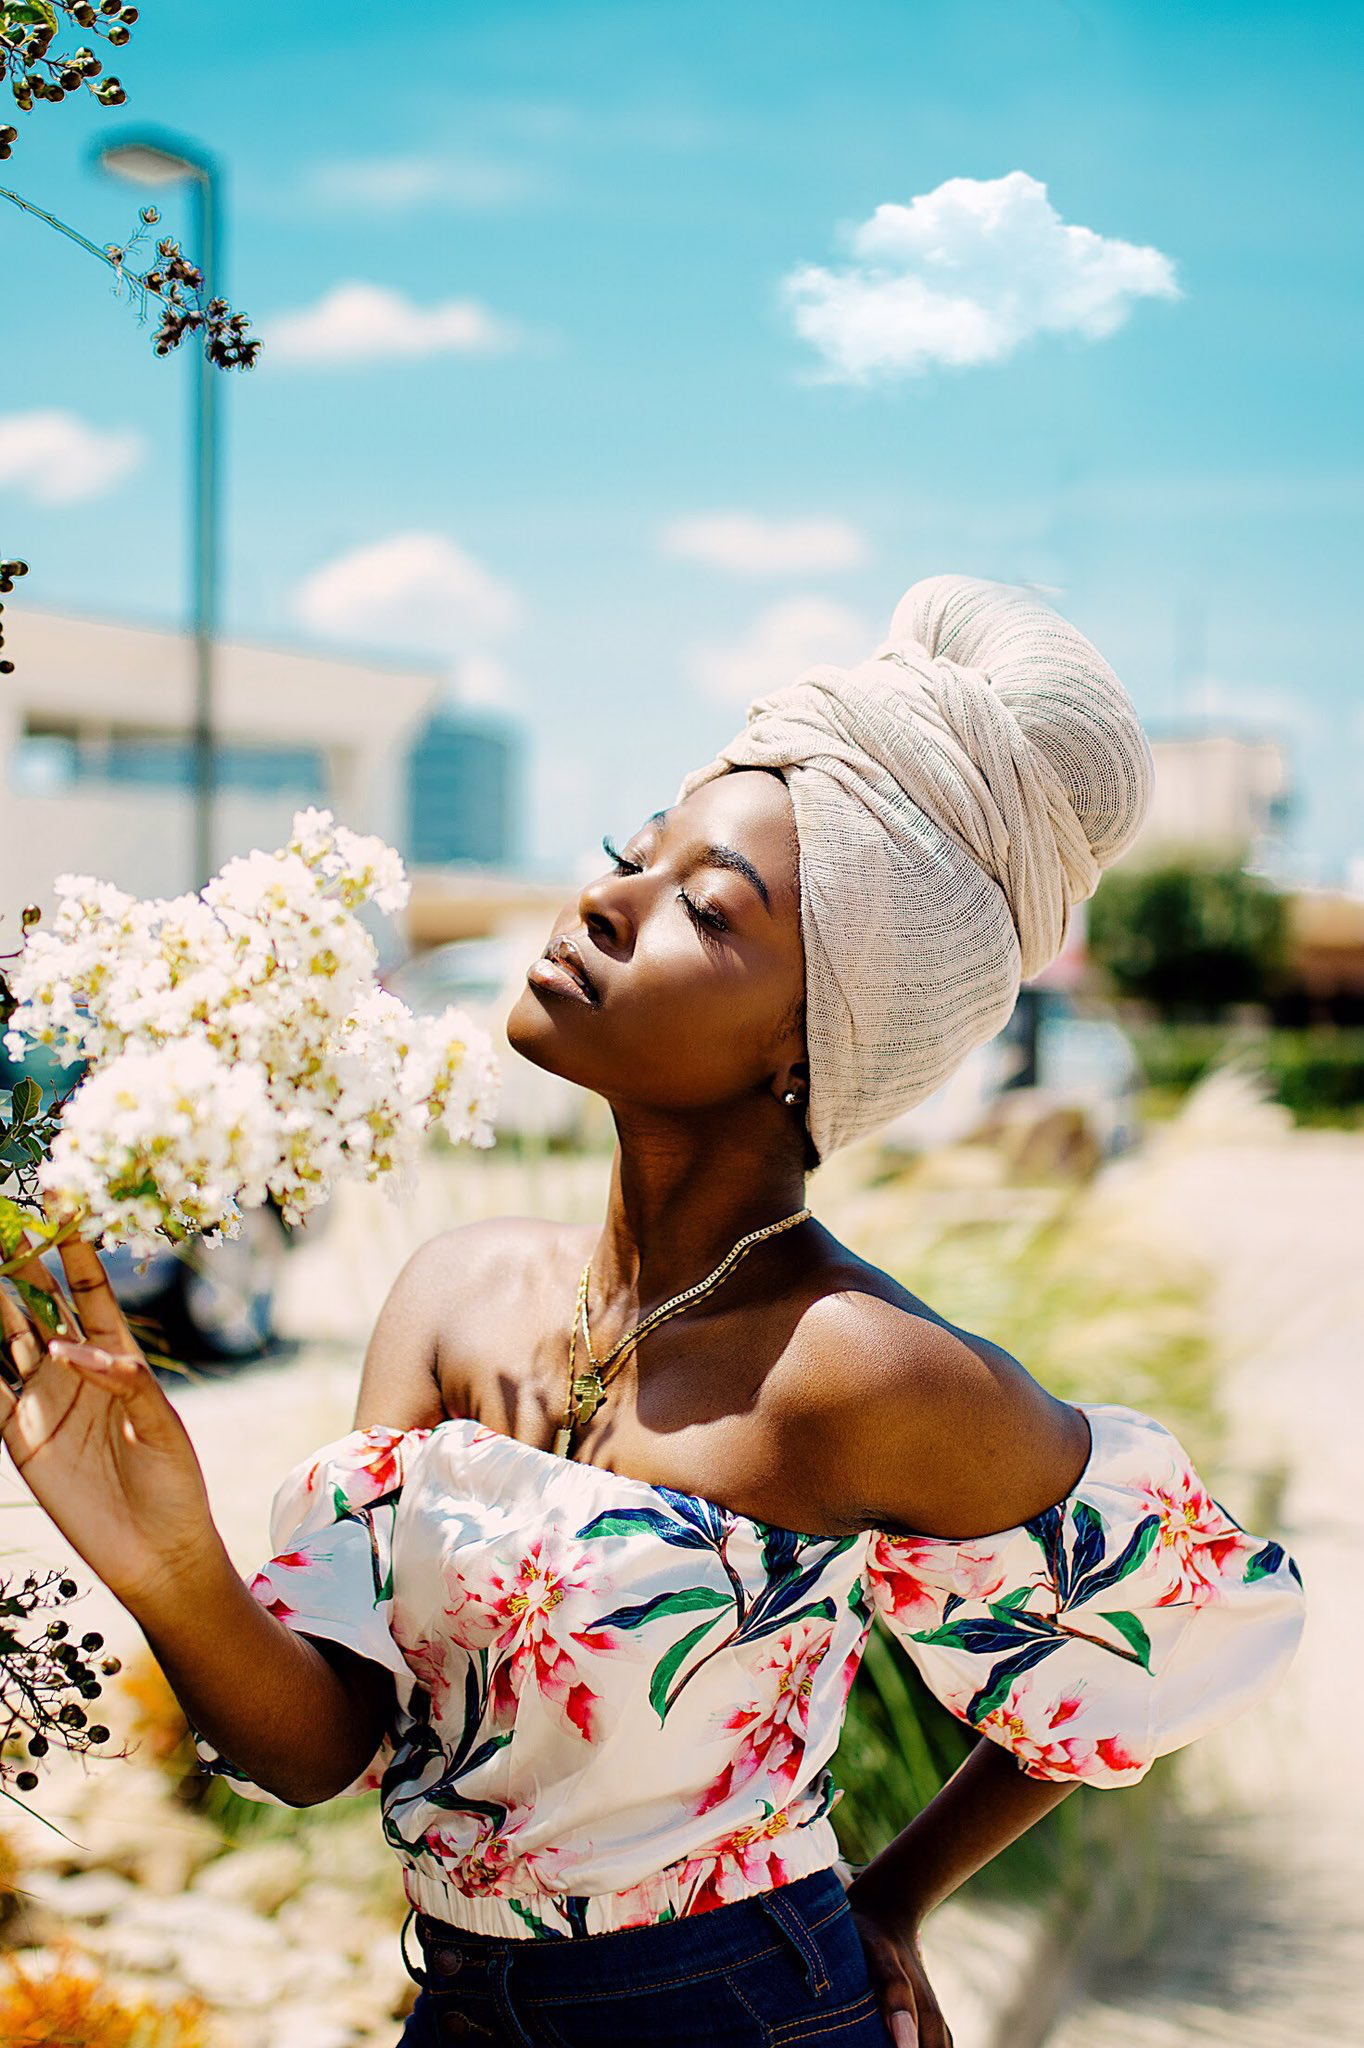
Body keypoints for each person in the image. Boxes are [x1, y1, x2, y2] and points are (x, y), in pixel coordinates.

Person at [0, 575, 1305, 2048]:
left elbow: (1179, 1624)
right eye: (633, 851)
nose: (604, 898)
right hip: (456, 2009)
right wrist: (169, 1561)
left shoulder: (854, 1370)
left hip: (739, 2009)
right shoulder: (455, 1293)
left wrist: (894, 1893)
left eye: (701, 906)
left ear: (812, 1048)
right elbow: (326, 1752)